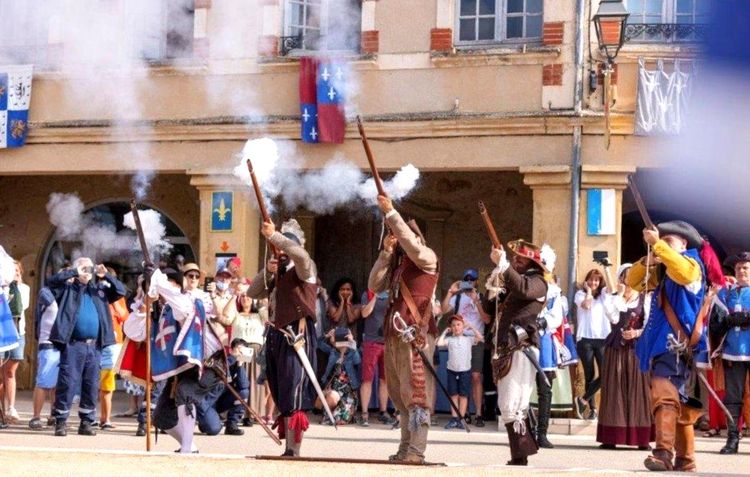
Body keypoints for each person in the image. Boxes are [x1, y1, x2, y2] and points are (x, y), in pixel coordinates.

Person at [627, 221, 708, 472]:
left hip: (675, 345)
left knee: (664, 395)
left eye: (669, 241)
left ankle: (663, 453)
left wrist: (658, 246)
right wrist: (647, 261)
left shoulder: (692, 265)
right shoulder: (663, 269)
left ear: (683, 244)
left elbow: (684, 273)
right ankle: (686, 459)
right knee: (677, 401)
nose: (662, 246)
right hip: (663, 345)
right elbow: (633, 281)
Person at [368, 195, 439, 464]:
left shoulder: (427, 257)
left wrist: (391, 214)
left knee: (417, 395)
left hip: (416, 335)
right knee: (399, 395)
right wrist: (386, 253)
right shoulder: (398, 267)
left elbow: (412, 245)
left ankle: (416, 451)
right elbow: (374, 285)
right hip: (395, 334)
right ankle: (405, 448)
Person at [127, 266, 223, 453]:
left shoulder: (189, 300)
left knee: (186, 394)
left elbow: (181, 306)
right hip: (182, 370)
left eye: (168, 285)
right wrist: (145, 305)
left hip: (207, 365)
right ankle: (191, 447)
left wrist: (157, 279)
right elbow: (132, 332)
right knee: (161, 416)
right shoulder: (156, 312)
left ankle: (186, 450)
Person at [247, 218, 318, 457]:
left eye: (284, 248)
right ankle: (289, 446)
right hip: (277, 336)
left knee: (294, 390)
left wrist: (276, 237)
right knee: (280, 389)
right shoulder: (278, 274)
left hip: (297, 334)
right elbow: (252, 292)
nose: (282, 253)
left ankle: (294, 449)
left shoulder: (305, 269)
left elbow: (301, 256)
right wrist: (268, 270)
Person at [48, 258, 126, 437]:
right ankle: (60, 421)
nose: (87, 271)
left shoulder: (99, 290)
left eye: (89, 268)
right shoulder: (67, 288)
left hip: (95, 346)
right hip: (73, 344)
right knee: (67, 383)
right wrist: (74, 272)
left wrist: (105, 274)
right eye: (84, 268)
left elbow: (120, 291)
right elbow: (50, 283)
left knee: (91, 385)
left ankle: (86, 421)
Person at [488, 239, 549, 466]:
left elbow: (523, 288)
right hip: (508, 347)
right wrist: (496, 277)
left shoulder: (538, 282)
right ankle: (520, 453)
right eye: (514, 258)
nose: (515, 260)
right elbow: (489, 308)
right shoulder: (516, 284)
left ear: (532, 262)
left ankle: (521, 454)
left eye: (519, 258)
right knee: (510, 403)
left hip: (521, 349)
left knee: (513, 403)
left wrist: (504, 265)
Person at [596, 263, 653, 450]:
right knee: (615, 389)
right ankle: (612, 436)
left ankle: (641, 438)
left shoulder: (645, 299)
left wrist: (636, 333)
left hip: (637, 349)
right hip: (616, 349)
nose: (627, 281)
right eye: (624, 277)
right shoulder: (613, 297)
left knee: (638, 390)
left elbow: (649, 324)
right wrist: (617, 295)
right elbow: (612, 318)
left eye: (631, 276)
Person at [441, 268, 490, 427]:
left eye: (472, 280)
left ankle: (478, 413)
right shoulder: (457, 298)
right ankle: (464, 413)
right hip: (459, 339)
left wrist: (476, 301)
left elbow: (487, 319)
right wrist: (450, 292)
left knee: (476, 376)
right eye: (466, 281)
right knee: (462, 377)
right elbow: (442, 310)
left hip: (475, 339)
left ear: (477, 282)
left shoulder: (481, 297)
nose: (469, 283)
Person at [712, 251, 750, 454]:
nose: (742, 271)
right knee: (733, 399)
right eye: (738, 268)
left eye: (745, 267)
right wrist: (727, 321)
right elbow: (715, 325)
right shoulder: (724, 294)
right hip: (732, 353)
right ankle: (733, 439)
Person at [574, 268, 616, 420]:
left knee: (607, 373)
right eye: (591, 280)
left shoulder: (604, 294)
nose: (593, 283)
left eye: (596, 280)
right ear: (587, 281)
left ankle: (583, 399)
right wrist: (588, 292)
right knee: (589, 375)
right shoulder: (580, 295)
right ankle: (593, 410)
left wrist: (607, 269)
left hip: (603, 338)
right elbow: (586, 305)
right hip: (584, 339)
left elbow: (612, 289)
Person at [223, 293, 269, 425]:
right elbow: (226, 317)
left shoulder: (259, 314)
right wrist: (233, 296)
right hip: (239, 350)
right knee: (239, 382)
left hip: (255, 350)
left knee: (254, 382)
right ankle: (236, 413)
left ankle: (252, 414)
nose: (245, 298)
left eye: (248, 295)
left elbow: (268, 316)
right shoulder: (236, 315)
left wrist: (259, 296)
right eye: (242, 296)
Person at [534, 247, 563, 449]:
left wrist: (539, 324)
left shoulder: (554, 293)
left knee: (545, 390)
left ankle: (541, 433)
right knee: (520, 387)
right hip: (523, 340)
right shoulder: (527, 285)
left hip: (543, 341)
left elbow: (557, 318)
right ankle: (522, 432)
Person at [357, 289, 397, 427]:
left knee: (385, 379)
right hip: (371, 341)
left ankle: (383, 412)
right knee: (367, 378)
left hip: (387, 341)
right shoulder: (367, 294)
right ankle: (364, 413)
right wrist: (374, 297)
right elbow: (364, 313)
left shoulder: (391, 293)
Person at [437, 314, 483, 430]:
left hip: (465, 371)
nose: (456, 327)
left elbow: (480, 337)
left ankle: (461, 419)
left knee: (463, 395)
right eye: (453, 325)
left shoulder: (468, 339)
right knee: (453, 394)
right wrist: (444, 332)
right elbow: (439, 343)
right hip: (452, 371)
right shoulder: (450, 340)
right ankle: (454, 418)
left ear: (463, 326)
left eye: (458, 325)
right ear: (451, 328)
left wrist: (471, 327)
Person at [196, 338, 249, 436]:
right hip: (205, 402)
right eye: (240, 349)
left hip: (219, 401)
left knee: (243, 393)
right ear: (232, 348)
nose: (241, 353)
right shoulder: (221, 358)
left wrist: (240, 366)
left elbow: (244, 386)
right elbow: (219, 368)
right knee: (214, 429)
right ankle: (200, 421)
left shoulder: (237, 364)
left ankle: (231, 425)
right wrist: (233, 357)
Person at [98, 267, 128, 430]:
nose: (105, 283)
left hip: (113, 343)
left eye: (108, 279)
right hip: (97, 343)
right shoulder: (96, 294)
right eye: (102, 279)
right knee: (96, 383)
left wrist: (116, 305)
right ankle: (95, 416)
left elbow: (125, 318)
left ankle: (106, 419)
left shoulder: (118, 297)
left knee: (107, 383)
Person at [1, 261, 30, 423]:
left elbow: (21, 306)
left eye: (17, 271)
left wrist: (14, 285)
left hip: (18, 333)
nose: (15, 273)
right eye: (12, 271)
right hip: (2, 332)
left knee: (10, 372)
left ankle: (11, 407)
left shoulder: (24, 289)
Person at [28, 285, 60, 430]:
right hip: (48, 344)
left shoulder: (70, 297)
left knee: (58, 385)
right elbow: (43, 293)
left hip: (65, 345)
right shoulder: (48, 293)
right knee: (43, 381)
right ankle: (36, 417)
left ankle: (54, 416)